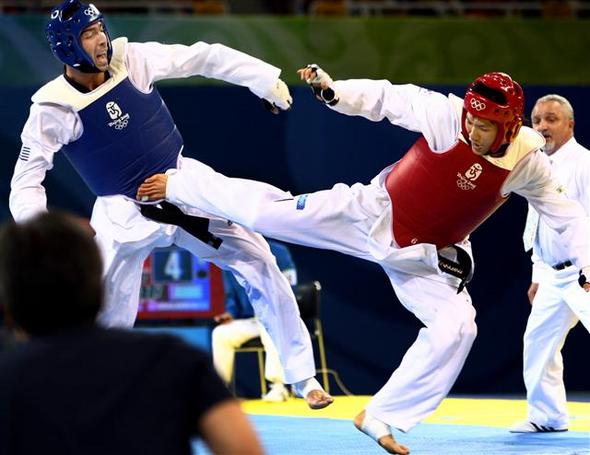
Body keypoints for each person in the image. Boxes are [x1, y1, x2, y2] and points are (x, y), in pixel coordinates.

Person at [137, 66, 590, 454]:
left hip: (424, 257)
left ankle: (382, 414)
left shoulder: (529, 163)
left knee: (458, 326)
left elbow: (568, 218)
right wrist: (336, 92)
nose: (472, 130)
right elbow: (389, 99)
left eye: (484, 125)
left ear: (509, 127)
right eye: (471, 119)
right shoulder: (447, 114)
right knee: (262, 213)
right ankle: (180, 184)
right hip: (369, 213)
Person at [8, 0, 332, 409]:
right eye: (89, 35)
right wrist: (42, 235)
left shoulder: (133, 59)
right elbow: (26, 183)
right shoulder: (53, 108)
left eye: (100, 29)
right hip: (122, 212)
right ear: (67, 47)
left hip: (182, 185)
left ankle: (303, 378)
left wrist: (264, 80)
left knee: (259, 260)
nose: (102, 40)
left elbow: (204, 56)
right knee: (97, 310)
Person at [0, 211, 265, 455]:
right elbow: (243, 449)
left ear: (7, 305)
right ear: (98, 285)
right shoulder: (172, 360)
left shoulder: (8, 377)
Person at [510, 94, 590, 434]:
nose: (542, 126)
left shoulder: (584, 164)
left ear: (569, 124)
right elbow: (539, 223)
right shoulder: (536, 164)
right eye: (537, 119)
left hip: (582, 272)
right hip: (552, 273)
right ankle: (547, 416)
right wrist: (538, 273)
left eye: (551, 119)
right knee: (538, 343)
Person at [213, 239, 296, 402]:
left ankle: (278, 387)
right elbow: (232, 297)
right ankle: (219, 392)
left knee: (268, 325)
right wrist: (230, 313)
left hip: (277, 316)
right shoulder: (229, 256)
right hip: (250, 320)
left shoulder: (279, 251)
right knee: (221, 333)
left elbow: (290, 287)